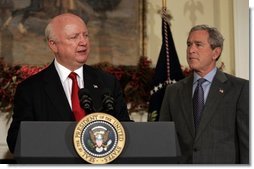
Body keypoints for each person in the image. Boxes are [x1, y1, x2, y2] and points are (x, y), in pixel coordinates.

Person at [7, 13, 130, 153]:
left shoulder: (107, 82)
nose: (83, 42)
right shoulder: (31, 89)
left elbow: (126, 130)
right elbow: (16, 140)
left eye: (86, 35)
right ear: (53, 45)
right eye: (74, 37)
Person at [159, 25, 249, 164]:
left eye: (198, 45)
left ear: (215, 53)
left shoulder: (239, 88)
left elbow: (247, 144)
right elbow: (164, 141)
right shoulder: (173, 91)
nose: (191, 50)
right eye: (189, 44)